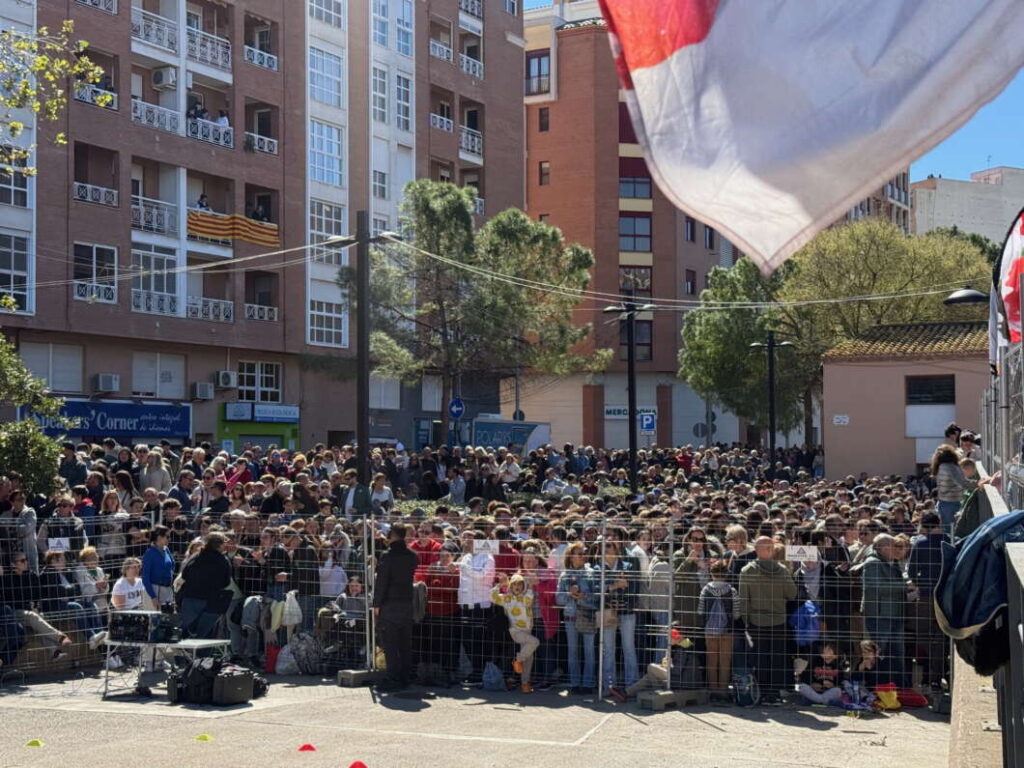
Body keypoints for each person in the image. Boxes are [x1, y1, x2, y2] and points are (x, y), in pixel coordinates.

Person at [738, 536, 797, 703]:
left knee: (760, 658)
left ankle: (762, 693)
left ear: (756, 550)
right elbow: (792, 594)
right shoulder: (782, 570)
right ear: (771, 550)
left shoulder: (747, 571)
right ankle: (774, 693)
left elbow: (743, 600)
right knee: (777, 658)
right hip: (778, 621)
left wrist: (746, 620)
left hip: (756, 622)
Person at [0, 551, 73, 661]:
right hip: (14, 612)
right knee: (33, 616)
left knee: (38, 617)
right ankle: (60, 637)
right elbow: (10, 599)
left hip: (28, 609)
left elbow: (36, 594)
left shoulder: (30, 575)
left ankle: (53, 652)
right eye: (22, 561)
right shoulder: (7, 579)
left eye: (26, 560)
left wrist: (24, 578)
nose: (26, 563)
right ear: (13, 564)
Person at [858, 533, 909, 687]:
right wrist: (905, 586)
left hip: (894, 615)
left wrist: (907, 583)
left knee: (897, 653)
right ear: (879, 547)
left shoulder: (892, 563)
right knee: (878, 652)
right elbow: (878, 587)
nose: (895, 548)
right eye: (891, 545)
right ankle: (876, 686)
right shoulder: (872, 563)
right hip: (880, 616)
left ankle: (899, 686)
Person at [372, 522, 419, 692]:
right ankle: (406, 676)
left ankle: (393, 677)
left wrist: (376, 603)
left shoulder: (387, 556)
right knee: (405, 643)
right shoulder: (413, 556)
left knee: (390, 644)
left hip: (390, 604)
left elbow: (382, 582)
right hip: (406, 602)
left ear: (392, 535)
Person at [555, 541, 598, 693]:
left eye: (584, 553)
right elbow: (558, 599)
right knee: (572, 652)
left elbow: (597, 598)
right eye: (580, 554)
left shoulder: (592, 573)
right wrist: (569, 594)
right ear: (571, 557)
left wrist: (582, 596)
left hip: (587, 616)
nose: (583, 556)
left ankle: (587, 684)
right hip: (570, 618)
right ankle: (574, 683)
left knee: (589, 652)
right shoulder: (564, 575)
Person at [491, 572, 539, 693]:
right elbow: (493, 596)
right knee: (535, 642)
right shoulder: (506, 598)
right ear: (510, 586)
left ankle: (525, 684)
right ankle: (517, 660)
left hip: (527, 630)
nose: (517, 587)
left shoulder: (526, 597)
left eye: (520, 584)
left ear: (523, 586)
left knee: (529, 659)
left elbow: (529, 599)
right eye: (514, 584)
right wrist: (499, 585)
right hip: (516, 631)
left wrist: (529, 585)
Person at [698, 559, 739, 699]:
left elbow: (700, 610)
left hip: (710, 630)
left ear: (711, 573)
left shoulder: (705, 589)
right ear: (726, 573)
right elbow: (737, 613)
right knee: (725, 660)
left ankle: (713, 689)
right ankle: (723, 690)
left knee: (711, 659)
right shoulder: (732, 590)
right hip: (727, 630)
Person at [178, 533, 232, 639]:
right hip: (211, 602)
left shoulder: (196, 557)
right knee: (206, 633)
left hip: (190, 599)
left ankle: (184, 654)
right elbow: (226, 582)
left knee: (187, 631)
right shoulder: (223, 561)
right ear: (220, 545)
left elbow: (184, 575)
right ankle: (203, 655)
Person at [930, 444, 975, 536]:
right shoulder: (951, 467)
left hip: (943, 503)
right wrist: (978, 483)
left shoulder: (941, 466)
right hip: (951, 504)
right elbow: (963, 483)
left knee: (947, 532)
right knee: (952, 533)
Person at [796, 641, 845, 705]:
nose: (825, 650)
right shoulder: (815, 661)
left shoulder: (838, 666)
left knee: (837, 690)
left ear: (835, 656)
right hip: (814, 691)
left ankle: (816, 701)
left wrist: (833, 685)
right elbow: (804, 676)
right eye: (825, 648)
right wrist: (812, 684)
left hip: (827, 692)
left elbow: (840, 681)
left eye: (829, 649)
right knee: (802, 687)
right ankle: (822, 701)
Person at [141, 525, 175, 609]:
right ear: (159, 537)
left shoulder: (166, 549)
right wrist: (153, 596)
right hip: (154, 590)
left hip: (167, 589)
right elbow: (145, 577)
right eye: (167, 536)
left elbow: (172, 565)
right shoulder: (150, 553)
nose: (169, 539)